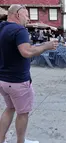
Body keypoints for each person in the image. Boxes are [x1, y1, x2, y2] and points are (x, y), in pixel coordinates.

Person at [0, 4, 58, 143]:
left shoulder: (2, 27)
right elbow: (26, 52)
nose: (28, 19)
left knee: (10, 108)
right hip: (17, 81)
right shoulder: (20, 30)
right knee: (23, 113)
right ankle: (21, 141)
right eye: (26, 15)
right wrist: (46, 46)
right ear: (18, 14)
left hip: (3, 80)